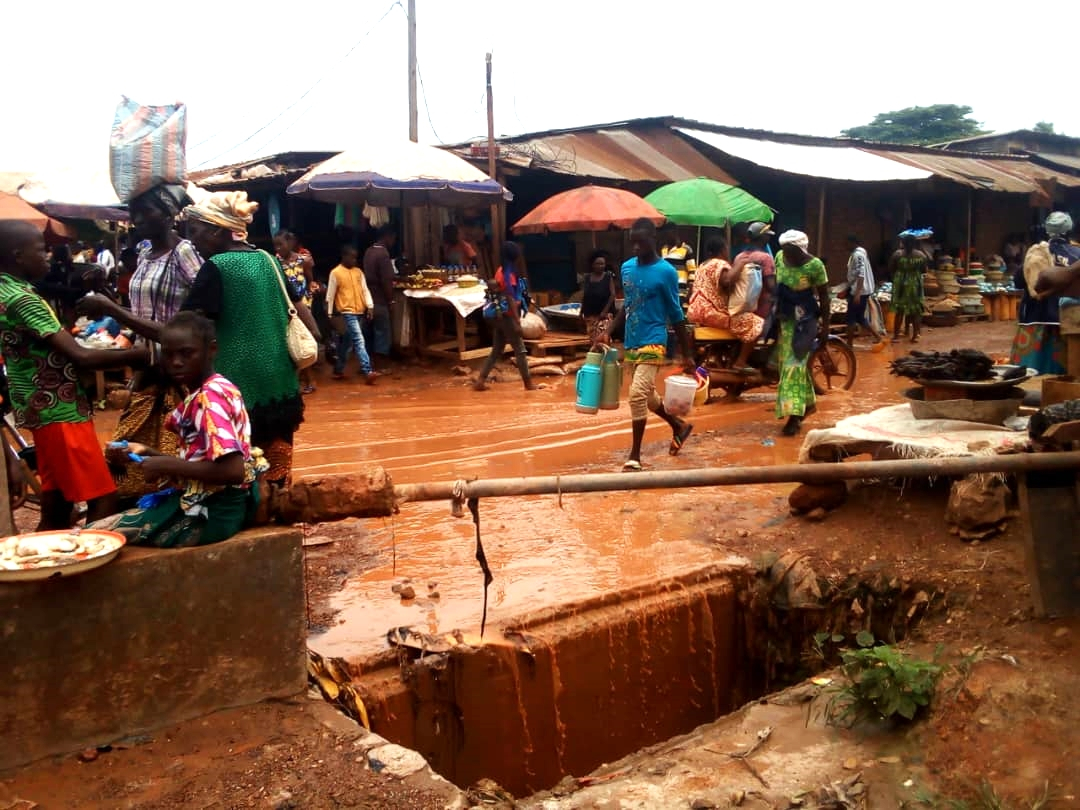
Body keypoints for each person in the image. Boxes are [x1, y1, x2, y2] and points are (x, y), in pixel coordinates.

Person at [95, 192, 305, 488]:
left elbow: (179, 333)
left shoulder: (216, 266)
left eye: (196, 232)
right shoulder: (268, 260)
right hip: (281, 387)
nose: (192, 241)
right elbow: (307, 321)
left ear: (217, 230)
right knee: (275, 478)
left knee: (238, 481)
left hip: (237, 390)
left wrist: (112, 310)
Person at [0, 221, 149, 529]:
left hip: (36, 407)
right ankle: (91, 566)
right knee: (102, 496)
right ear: (18, 255)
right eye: (41, 250)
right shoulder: (23, 300)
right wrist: (143, 355)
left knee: (57, 502)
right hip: (59, 407)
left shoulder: (5, 290)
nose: (48, 256)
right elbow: (80, 355)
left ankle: (45, 569)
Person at [78, 184, 203, 506]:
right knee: (124, 461)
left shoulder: (184, 253)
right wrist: (105, 294)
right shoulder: (146, 254)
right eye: (134, 212)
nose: (137, 219)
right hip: (147, 370)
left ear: (169, 213)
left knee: (175, 460)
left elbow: (194, 319)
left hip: (176, 373)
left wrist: (111, 309)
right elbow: (142, 315)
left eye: (146, 210)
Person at [95, 312, 266, 547]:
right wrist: (146, 451)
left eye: (187, 353)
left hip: (211, 514)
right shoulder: (217, 386)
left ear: (211, 350)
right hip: (218, 506)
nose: (176, 362)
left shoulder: (209, 399)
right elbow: (202, 463)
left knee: (97, 535)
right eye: (168, 354)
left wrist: (165, 465)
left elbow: (232, 470)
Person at [597, 218, 695, 471]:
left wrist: (688, 354)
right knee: (649, 396)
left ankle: (635, 456)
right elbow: (627, 306)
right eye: (633, 243)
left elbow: (676, 313)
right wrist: (608, 330)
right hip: (632, 340)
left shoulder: (666, 272)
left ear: (654, 240)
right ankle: (678, 426)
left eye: (641, 243)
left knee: (637, 394)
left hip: (654, 339)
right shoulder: (627, 268)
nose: (636, 248)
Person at [774, 230, 830, 437]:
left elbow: (824, 298)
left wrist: (826, 328)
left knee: (793, 367)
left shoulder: (815, 266)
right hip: (785, 322)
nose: (786, 255)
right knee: (787, 366)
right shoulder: (779, 258)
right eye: (784, 251)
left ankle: (794, 418)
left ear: (800, 249)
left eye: (790, 251)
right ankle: (807, 404)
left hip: (805, 323)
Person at [1010, 211, 1079, 374]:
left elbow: (1019, 282)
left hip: (1035, 321)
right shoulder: (1077, 255)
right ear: (1070, 231)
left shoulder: (1034, 254)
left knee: (1030, 372)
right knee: (1067, 371)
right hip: (1068, 322)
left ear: (1047, 231)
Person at [687, 236, 766, 375]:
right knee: (757, 323)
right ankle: (740, 362)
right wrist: (740, 264)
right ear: (722, 250)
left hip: (697, 312)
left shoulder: (702, 266)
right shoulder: (718, 263)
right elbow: (727, 280)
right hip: (712, 312)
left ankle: (719, 355)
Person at [474, 242, 540, 392]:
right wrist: (517, 321)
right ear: (515, 255)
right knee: (520, 350)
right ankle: (528, 384)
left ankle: (480, 380)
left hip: (498, 316)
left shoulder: (500, 270)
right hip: (507, 316)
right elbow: (510, 298)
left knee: (497, 350)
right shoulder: (509, 274)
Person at [326, 244, 377, 383]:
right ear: (344, 256)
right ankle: (368, 371)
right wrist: (330, 313)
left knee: (348, 344)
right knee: (359, 340)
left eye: (356, 258)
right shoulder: (335, 273)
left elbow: (365, 290)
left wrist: (370, 306)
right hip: (347, 312)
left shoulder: (358, 272)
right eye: (352, 257)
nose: (354, 260)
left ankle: (338, 369)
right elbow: (330, 294)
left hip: (360, 311)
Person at [729, 222, 777, 369]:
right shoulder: (766, 258)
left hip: (742, 305)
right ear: (762, 238)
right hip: (762, 306)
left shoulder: (739, 257)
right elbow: (771, 286)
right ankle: (766, 362)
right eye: (767, 236)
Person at [274, 230, 318, 393]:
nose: (278, 248)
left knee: (302, 342)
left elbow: (310, 281)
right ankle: (301, 380)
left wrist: (306, 305)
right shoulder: (275, 263)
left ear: (290, 243)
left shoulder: (303, 260)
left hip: (302, 306)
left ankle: (308, 380)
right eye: (276, 245)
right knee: (290, 343)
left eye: (281, 244)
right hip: (284, 306)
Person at [362, 223, 397, 363]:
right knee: (382, 331)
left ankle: (368, 363)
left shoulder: (369, 251)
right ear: (388, 237)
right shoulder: (383, 254)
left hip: (367, 298)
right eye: (393, 238)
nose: (394, 242)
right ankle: (381, 363)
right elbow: (386, 280)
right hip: (379, 299)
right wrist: (391, 301)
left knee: (368, 332)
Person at [845, 235, 887, 351]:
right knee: (859, 318)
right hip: (862, 290)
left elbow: (861, 274)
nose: (845, 246)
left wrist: (857, 293)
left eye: (846, 243)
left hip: (859, 291)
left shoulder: (857, 255)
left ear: (852, 242)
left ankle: (849, 344)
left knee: (851, 318)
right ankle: (879, 338)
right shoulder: (861, 252)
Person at [887, 231, 929, 343]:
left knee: (899, 310)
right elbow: (924, 270)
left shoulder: (897, 254)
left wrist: (898, 276)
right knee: (916, 310)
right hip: (915, 283)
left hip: (900, 284)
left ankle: (896, 336)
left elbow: (891, 268)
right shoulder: (921, 255)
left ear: (903, 243)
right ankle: (915, 336)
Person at [580, 249, 617, 333]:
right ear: (592, 265)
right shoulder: (587, 278)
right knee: (592, 336)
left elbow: (612, 295)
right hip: (590, 314)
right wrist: (581, 311)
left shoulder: (608, 277)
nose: (601, 266)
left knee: (602, 336)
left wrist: (604, 311)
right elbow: (585, 295)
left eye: (602, 264)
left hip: (605, 315)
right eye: (598, 264)